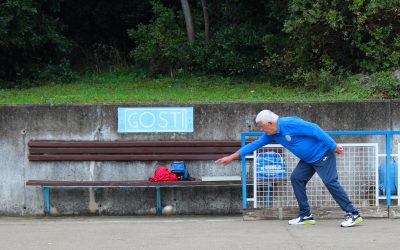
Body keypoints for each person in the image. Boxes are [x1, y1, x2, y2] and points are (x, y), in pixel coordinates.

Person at [216, 110, 363, 227]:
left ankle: (353, 214)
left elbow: (314, 129)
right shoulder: (271, 133)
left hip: (323, 153)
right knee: (296, 178)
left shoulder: (290, 123)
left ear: (270, 122)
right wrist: (232, 156)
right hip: (308, 160)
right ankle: (306, 215)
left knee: (330, 181)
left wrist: (333, 145)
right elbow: (254, 145)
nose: (262, 130)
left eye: (262, 126)